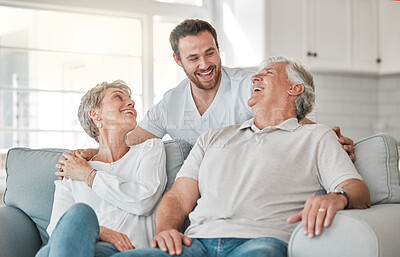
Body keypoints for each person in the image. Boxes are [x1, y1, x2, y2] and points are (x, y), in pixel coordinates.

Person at [110, 56, 371, 257]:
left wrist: (338, 198)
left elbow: (356, 189)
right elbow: (178, 197)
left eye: (268, 74)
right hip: (195, 243)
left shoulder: (317, 136)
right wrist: (165, 230)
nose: (255, 78)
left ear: (294, 89)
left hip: (261, 242)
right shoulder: (214, 136)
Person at [76, 19, 355, 160]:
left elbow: (293, 119)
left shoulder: (249, 84)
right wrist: (91, 153)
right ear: (178, 61)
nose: (205, 65)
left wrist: (329, 138)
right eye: (193, 58)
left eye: (210, 53)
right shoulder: (170, 104)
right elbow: (128, 142)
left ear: (219, 50)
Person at [36, 80, 167, 257]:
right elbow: (56, 229)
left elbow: (143, 201)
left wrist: (88, 175)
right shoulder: (72, 168)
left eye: (130, 99)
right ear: (96, 115)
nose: (131, 103)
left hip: (128, 252)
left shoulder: (150, 149)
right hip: (81, 248)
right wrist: (101, 231)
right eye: (118, 97)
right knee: (78, 216)